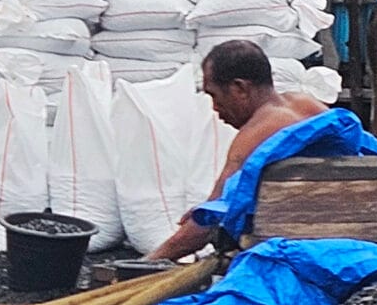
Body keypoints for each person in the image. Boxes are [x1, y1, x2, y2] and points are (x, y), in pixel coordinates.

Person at [142, 40, 331, 261]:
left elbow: (206, 225)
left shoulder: (254, 135)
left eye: (214, 95)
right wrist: (208, 210)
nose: (214, 107)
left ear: (240, 88)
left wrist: (147, 262)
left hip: (298, 250)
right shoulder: (307, 104)